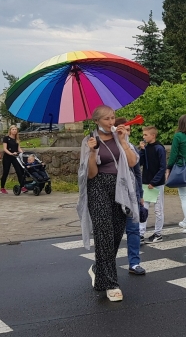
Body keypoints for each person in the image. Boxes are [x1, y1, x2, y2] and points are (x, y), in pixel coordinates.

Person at [77, 105, 139, 302]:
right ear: (96, 121)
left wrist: (122, 141)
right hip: (98, 187)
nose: (111, 122)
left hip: (120, 187)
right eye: (106, 119)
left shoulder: (121, 138)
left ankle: (98, 269)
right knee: (103, 231)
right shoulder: (89, 140)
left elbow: (131, 163)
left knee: (115, 234)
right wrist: (93, 152)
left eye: (112, 118)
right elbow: (91, 174)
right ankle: (112, 283)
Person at [115, 117, 145, 275]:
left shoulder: (130, 147)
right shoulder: (109, 146)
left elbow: (136, 171)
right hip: (114, 194)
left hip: (131, 194)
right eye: (123, 129)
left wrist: (140, 195)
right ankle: (107, 264)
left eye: (128, 130)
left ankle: (134, 263)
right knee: (113, 232)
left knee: (133, 230)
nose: (126, 133)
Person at [139, 126, 167, 243]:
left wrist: (154, 182)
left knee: (158, 209)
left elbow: (162, 167)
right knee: (144, 209)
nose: (143, 137)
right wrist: (141, 150)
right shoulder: (146, 148)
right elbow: (140, 163)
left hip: (157, 184)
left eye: (146, 135)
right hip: (146, 182)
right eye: (143, 135)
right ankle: (141, 233)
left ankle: (158, 233)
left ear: (153, 135)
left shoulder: (159, 148)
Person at [1, 125, 27, 193]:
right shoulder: (6, 138)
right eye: (13, 129)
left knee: (19, 171)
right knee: (5, 172)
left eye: (15, 129)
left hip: (15, 157)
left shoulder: (17, 139)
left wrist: (23, 152)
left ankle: (22, 186)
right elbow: (4, 148)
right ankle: (2, 188)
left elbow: (18, 148)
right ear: (10, 130)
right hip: (7, 157)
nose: (14, 130)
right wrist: (11, 153)